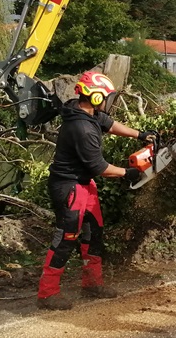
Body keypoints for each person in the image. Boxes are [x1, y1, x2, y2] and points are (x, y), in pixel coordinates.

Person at [37, 71, 156, 310]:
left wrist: (141, 135)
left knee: (94, 234)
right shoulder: (82, 128)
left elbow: (109, 124)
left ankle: (92, 283)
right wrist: (128, 173)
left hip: (85, 185)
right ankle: (47, 293)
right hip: (69, 187)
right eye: (105, 98)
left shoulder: (86, 113)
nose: (106, 102)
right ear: (94, 97)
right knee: (66, 239)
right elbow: (99, 167)